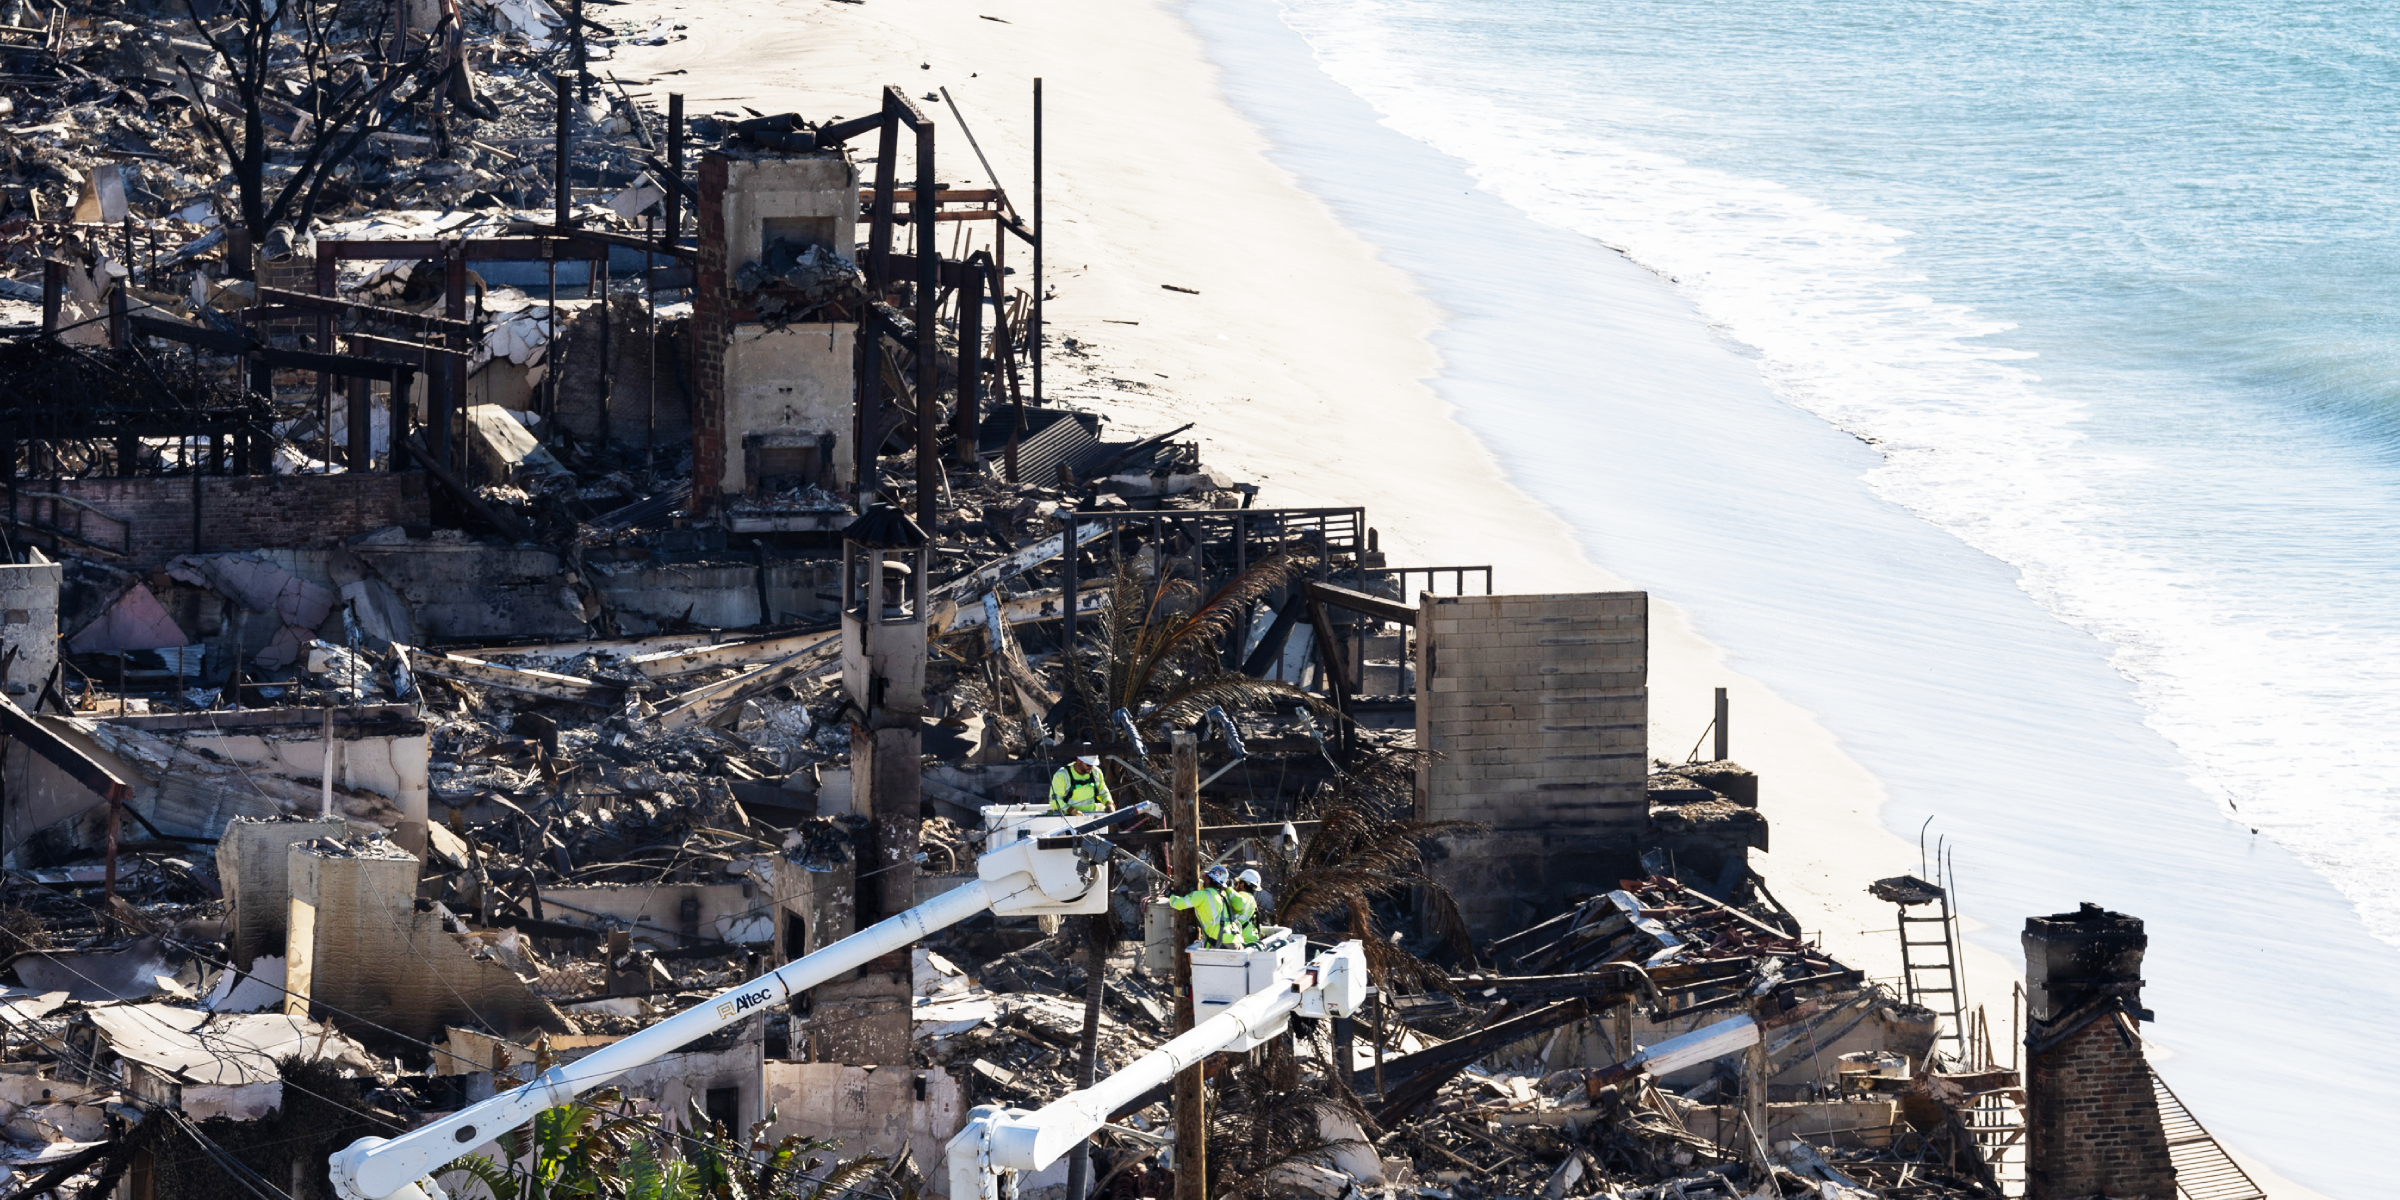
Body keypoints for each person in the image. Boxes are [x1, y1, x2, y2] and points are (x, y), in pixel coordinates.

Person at [1167, 864, 1238, 947]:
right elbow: (1202, 886)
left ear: (1209, 879)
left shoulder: (1202, 895)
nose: (1205, 879)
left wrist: (1171, 895)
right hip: (1234, 940)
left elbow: (1178, 904)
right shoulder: (1222, 895)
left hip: (1222, 943)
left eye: (1206, 877)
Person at [1048, 753, 1114, 816]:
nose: (1091, 767)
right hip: (1068, 818)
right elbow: (1055, 801)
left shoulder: (1096, 773)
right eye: (1088, 765)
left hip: (1090, 816)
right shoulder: (1062, 775)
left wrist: (1109, 804)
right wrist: (1071, 811)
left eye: (1093, 765)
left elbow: (1103, 792)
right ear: (1079, 761)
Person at [1223, 868, 1265, 947]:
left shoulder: (1244, 896)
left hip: (1245, 941)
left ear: (1242, 884)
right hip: (1250, 939)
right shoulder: (1250, 898)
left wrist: (1228, 888)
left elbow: (1239, 904)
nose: (1236, 885)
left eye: (1237, 883)